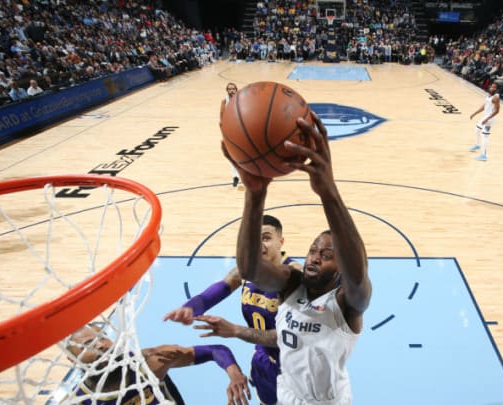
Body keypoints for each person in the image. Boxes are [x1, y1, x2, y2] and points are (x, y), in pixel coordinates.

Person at [207, 111, 371, 404]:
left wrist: (328, 191)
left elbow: (358, 270)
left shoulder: (347, 303)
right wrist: (255, 195)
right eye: (313, 250)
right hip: (286, 395)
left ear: (340, 269)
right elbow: (251, 270)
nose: (315, 258)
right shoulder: (292, 284)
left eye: (327, 255)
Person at [164, 214, 301, 405]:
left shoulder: (296, 277)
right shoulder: (246, 270)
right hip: (265, 360)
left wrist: (235, 330)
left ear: (281, 242)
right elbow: (212, 293)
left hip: (298, 369)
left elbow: (292, 337)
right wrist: (189, 308)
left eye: (266, 237)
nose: (259, 244)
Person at [66, 324, 251, 404]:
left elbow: (215, 350)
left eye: (102, 337)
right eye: (88, 345)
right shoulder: (79, 401)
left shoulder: (150, 362)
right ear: (72, 360)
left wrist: (234, 374)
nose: (100, 345)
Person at [469, 82, 500, 161]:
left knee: (484, 136)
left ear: (496, 89)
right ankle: (477, 145)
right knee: (477, 129)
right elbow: (485, 106)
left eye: (494, 87)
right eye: (492, 87)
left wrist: (487, 119)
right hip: (485, 117)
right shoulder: (489, 95)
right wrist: (475, 113)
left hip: (490, 118)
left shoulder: (495, 98)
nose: (492, 88)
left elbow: (497, 111)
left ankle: (484, 155)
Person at [221, 82, 241, 187]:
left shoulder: (241, 100)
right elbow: (222, 118)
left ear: (236, 90)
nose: (231, 90)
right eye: (229, 89)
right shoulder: (225, 101)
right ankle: (235, 176)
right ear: (227, 90)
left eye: (233, 88)